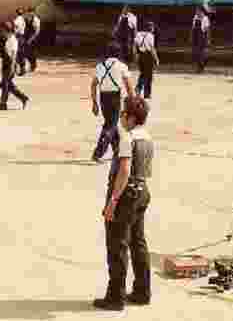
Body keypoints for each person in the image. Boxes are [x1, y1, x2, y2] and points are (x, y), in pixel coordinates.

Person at [94, 95, 154, 311]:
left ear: (130, 117)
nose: (120, 117)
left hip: (126, 194)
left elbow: (125, 170)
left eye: (123, 114)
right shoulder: (147, 137)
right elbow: (145, 169)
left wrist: (113, 201)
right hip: (142, 191)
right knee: (138, 242)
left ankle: (115, 297)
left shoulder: (128, 138)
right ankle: (142, 291)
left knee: (117, 245)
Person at [91, 41, 134, 163]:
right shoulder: (121, 66)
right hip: (115, 97)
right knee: (111, 125)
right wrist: (133, 100)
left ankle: (117, 150)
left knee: (111, 123)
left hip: (103, 97)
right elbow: (129, 86)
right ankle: (98, 153)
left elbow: (93, 85)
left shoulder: (100, 66)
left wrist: (94, 102)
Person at [0, 21, 29, 111]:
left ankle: (3, 104)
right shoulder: (8, 39)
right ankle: (23, 98)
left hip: (10, 64)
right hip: (6, 63)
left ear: (7, 31)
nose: (2, 32)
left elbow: (14, 55)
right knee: (5, 84)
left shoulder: (12, 40)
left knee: (5, 84)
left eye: (3, 30)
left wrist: (12, 67)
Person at [133, 22, 160, 100]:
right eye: (152, 28)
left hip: (140, 55)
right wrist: (156, 59)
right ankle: (147, 94)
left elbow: (134, 46)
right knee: (149, 75)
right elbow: (152, 49)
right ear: (150, 28)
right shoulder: (151, 36)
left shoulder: (138, 34)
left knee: (142, 73)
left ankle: (138, 88)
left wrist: (135, 55)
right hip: (148, 56)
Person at [191, 7, 211, 73]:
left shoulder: (205, 18)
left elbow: (207, 29)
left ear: (201, 11)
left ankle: (201, 67)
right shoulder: (195, 17)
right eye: (196, 11)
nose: (196, 12)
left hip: (202, 37)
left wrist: (208, 39)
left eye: (197, 11)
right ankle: (198, 67)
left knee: (203, 54)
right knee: (196, 53)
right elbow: (193, 28)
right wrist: (191, 37)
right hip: (196, 37)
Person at [24, 7, 41, 73]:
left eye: (31, 12)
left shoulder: (36, 20)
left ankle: (33, 66)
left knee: (32, 53)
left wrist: (31, 39)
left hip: (33, 38)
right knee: (26, 52)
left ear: (34, 12)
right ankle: (31, 65)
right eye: (29, 12)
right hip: (27, 37)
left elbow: (37, 31)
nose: (30, 13)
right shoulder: (26, 18)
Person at [13, 8, 28, 75]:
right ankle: (23, 68)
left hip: (18, 37)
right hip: (22, 37)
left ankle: (15, 69)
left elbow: (15, 29)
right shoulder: (23, 20)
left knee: (15, 53)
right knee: (22, 53)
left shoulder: (16, 20)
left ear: (16, 13)